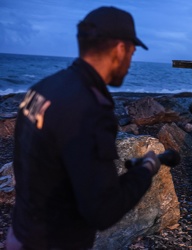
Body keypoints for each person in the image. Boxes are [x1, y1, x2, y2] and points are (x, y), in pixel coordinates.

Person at [6, 6, 161, 249]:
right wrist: (146, 170)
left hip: (20, 232)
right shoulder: (90, 110)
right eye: (132, 52)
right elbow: (102, 210)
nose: (130, 62)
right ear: (120, 49)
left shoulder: (42, 88)